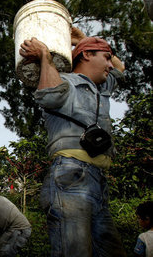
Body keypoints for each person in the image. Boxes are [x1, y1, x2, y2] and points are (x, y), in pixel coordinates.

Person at [19, 27, 126, 256]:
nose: (110, 64)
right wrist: (45, 56)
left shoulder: (101, 89)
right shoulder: (64, 81)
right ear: (86, 56)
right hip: (71, 177)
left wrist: (83, 39)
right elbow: (49, 95)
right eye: (105, 57)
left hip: (98, 182)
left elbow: (120, 68)